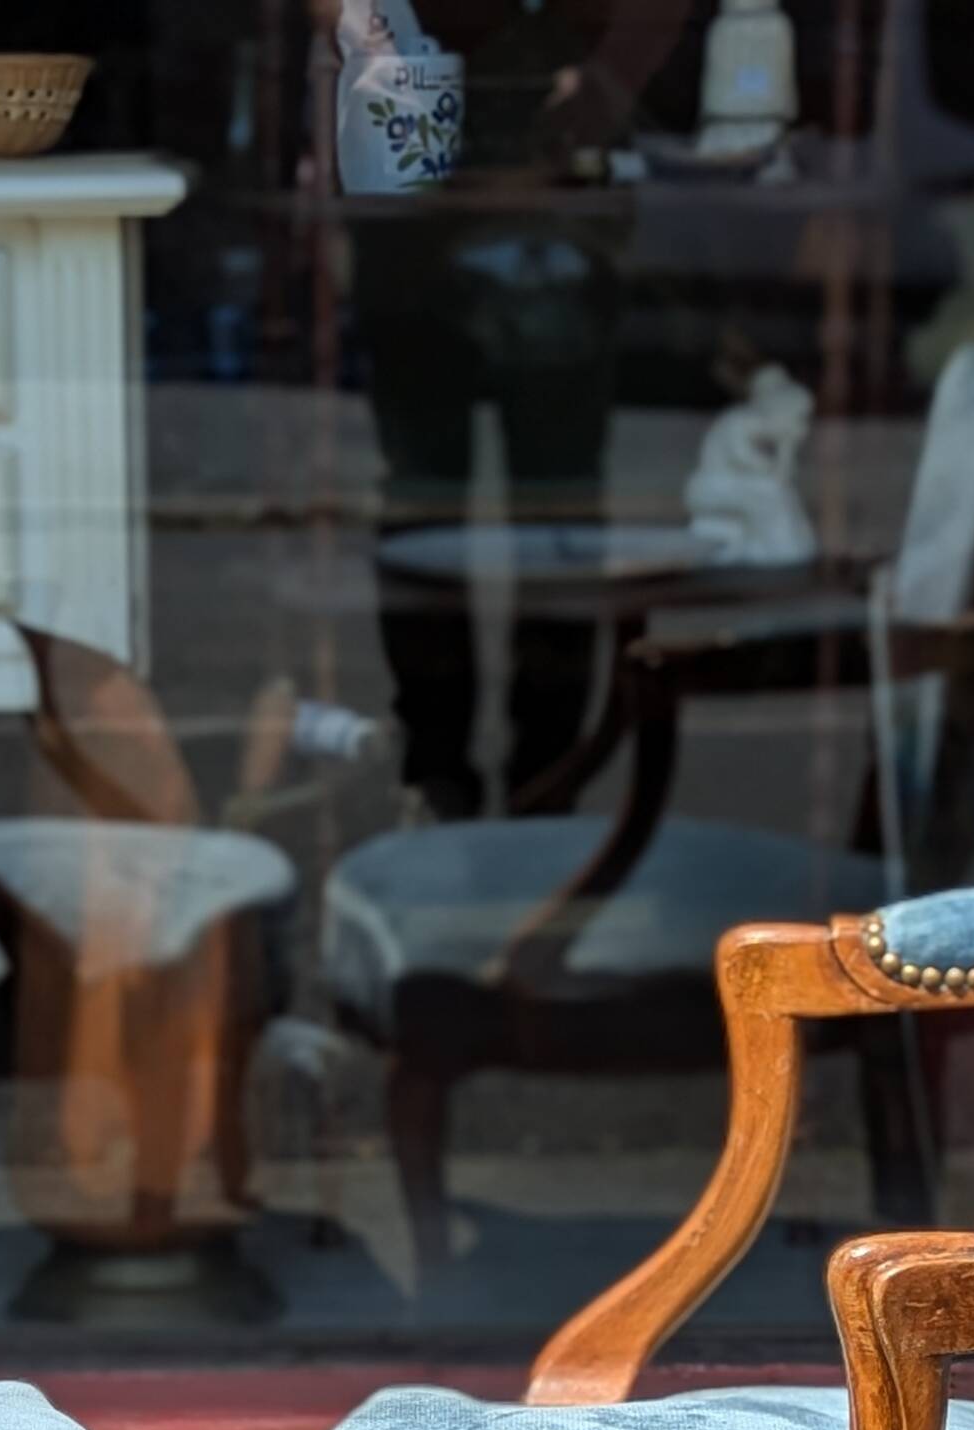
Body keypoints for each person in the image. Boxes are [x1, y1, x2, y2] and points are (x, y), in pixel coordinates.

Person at [350, 0, 690, 821]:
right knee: (430, 498)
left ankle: (542, 774)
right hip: (419, 179)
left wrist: (604, 87)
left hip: (553, 184)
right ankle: (442, 771)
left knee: (554, 505)